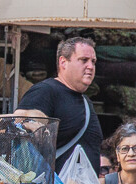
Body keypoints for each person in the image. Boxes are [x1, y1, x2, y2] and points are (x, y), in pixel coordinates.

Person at [18, 36, 103, 173]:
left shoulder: (85, 101)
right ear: (63, 62)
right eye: (84, 60)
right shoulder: (45, 91)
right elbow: (19, 126)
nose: (90, 66)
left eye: (93, 61)